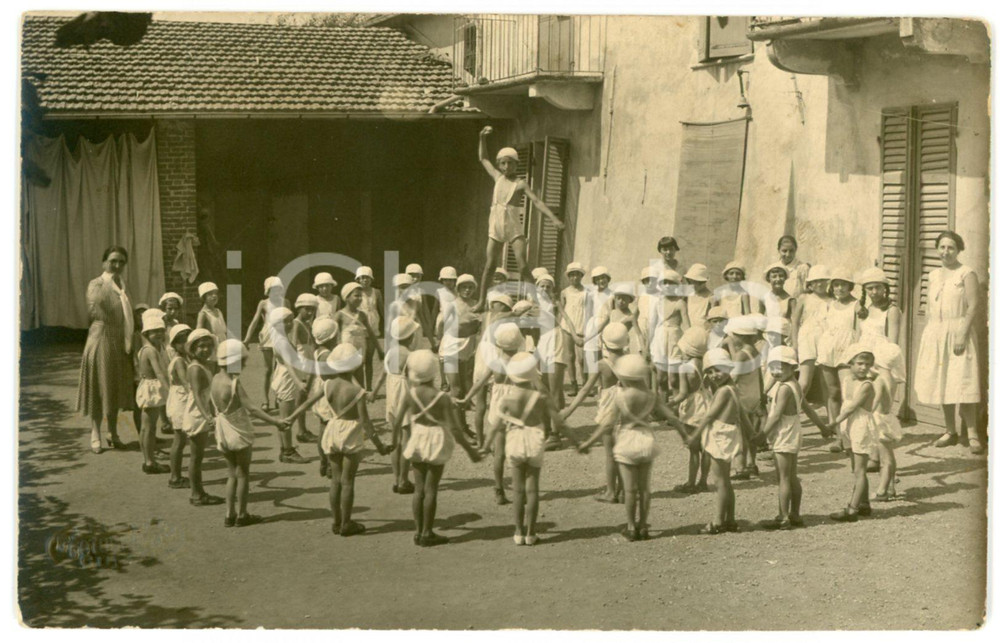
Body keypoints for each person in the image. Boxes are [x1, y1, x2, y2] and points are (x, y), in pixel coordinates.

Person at [577, 354, 686, 541]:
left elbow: (607, 424)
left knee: (629, 490)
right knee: (645, 489)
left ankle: (630, 526)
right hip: (646, 439)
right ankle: (643, 526)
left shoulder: (620, 396)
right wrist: (686, 435)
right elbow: (672, 417)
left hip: (627, 439)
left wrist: (587, 442)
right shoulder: (651, 396)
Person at [290, 343, 389, 536]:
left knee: (335, 480)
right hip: (350, 432)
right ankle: (346, 522)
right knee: (348, 481)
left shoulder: (328, 384)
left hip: (332, 429)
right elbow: (367, 424)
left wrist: (290, 418)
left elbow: (308, 402)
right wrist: (380, 446)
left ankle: (335, 521)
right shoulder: (357, 391)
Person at [390, 349, 480, 547]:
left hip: (417, 437)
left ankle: (417, 530)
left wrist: (392, 440)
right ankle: (427, 532)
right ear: (434, 372)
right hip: (435, 439)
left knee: (419, 489)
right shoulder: (441, 397)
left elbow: (397, 422)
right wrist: (470, 451)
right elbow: (455, 428)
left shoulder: (410, 394)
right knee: (431, 489)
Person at [485, 351, 573, 545]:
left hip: (515, 440)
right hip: (534, 439)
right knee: (532, 489)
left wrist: (484, 447)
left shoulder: (506, 400)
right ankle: (531, 533)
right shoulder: (540, 397)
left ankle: (518, 532)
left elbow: (495, 426)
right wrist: (576, 441)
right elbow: (559, 420)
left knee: (518, 490)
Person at [475, 126, 565, 309]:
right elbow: (483, 158)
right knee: (489, 266)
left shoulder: (520, 184)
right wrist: (481, 138)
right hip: (496, 226)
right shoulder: (497, 177)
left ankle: (537, 300)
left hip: (514, 228)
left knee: (523, 266)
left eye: (510, 163)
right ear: (499, 164)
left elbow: (537, 202)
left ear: (517, 164)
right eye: (503, 163)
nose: (507, 167)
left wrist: (554, 219)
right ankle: (480, 301)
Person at [915, 231, 982, 453]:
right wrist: (929, 333)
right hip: (936, 332)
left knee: (963, 381)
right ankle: (950, 430)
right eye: (942, 247)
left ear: (959, 249)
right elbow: (928, 307)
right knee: (942, 380)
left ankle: (972, 434)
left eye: (951, 247)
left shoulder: (966, 273)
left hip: (958, 330)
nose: (946, 252)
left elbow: (973, 306)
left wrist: (962, 334)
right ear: (937, 249)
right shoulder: (933, 275)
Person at [212, 340, 288, 527]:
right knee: (243, 473)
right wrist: (276, 422)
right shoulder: (233, 383)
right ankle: (243, 514)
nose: (245, 365)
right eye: (242, 361)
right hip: (238, 431)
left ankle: (229, 514)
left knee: (231, 473)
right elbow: (253, 409)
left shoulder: (214, 379)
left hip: (222, 429)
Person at [758, 346, 828, 530]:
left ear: (792, 368)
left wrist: (761, 435)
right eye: (773, 367)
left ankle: (783, 517)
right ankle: (795, 514)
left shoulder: (783, 389)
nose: (775, 372)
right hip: (794, 430)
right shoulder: (795, 385)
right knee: (792, 476)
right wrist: (822, 427)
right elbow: (807, 408)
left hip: (784, 432)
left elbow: (775, 416)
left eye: (781, 367)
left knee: (783, 478)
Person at [562, 323, 631, 503]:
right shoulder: (630, 361)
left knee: (610, 454)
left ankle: (610, 492)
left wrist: (569, 410)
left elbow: (585, 390)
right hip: (626, 408)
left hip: (609, 409)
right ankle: (624, 491)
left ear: (604, 343)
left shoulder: (602, 365)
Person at [458, 322, 525, 505]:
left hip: (498, 408)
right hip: (516, 408)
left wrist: (466, 398)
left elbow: (479, 383)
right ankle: (521, 488)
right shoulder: (522, 363)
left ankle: (499, 489)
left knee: (499, 452)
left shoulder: (496, 364)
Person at [78, 245, 135, 454]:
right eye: (113, 261)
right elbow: (94, 311)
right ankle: (95, 433)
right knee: (99, 387)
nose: (117, 265)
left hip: (119, 341)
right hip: (101, 339)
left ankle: (112, 432)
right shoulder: (97, 284)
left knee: (113, 388)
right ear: (104, 262)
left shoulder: (122, 284)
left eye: (121, 261)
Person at [685, 348, 745, 534]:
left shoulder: (723, 392)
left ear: (727, 367)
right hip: (728, 433)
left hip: (720, 435)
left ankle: (718, 521)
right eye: (709, 372)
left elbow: (710, 416)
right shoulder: (733, 388)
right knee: (726, 481)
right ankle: (731, 519)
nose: (714, 375)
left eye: (718, 370)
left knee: (720, 482)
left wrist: (695, 435)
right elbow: (742, 415)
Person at [369, 316, 421, 494]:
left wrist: (374, 392)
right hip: (404, 391)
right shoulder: (410, 355)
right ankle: (404, 480)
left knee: (395, 437)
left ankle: (396, 478)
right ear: (410, 336)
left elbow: (383, 374)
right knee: (406, 437)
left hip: (392, 391)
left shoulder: (391, 351)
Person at [827, 344, 878, 522]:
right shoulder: (848, 380)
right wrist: (841, 427)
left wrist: (834, 421)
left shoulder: (866, 385)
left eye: (868, 364)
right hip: (848, 425)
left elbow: (852, 407)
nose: (864, 367)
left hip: (860, 425)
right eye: (860, 363)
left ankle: (852, 509)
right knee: (854, 466)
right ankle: (864, 504)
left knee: (860, 470)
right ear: (850, 363)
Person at [816, 269, 859, 453]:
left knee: (847, 395)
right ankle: (838, 437)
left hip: (847, 351)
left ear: (850, 286)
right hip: (829, 350)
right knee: (832, 393)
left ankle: (850, 437)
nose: (839, 288)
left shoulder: (857, 305)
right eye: (836, 285)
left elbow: (859, 330)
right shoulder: (829, 305)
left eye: (843, 284)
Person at [182, 329, 224, 506]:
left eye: (208, 346)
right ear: (192, 348)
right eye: (201, 346)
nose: (206, 349)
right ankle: (197, 494)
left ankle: (198, 492)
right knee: (196, 457)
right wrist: (207, 416)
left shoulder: (205, 364)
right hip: (197, 415)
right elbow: (198, 395)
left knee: (198, 456)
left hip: (203, 413)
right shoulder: (194, 368)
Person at [669, 327, 711, 494]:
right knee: (706, 447)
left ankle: (691, 483)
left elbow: (683, 394)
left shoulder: (685, 368)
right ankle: (703, 481)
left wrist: (668, 404)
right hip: (706, 403)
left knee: (693, 449)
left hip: (693, 407)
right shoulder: (705, 363)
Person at [789, 265, 831, 424]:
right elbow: (795, 321)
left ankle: (832, 420)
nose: (819, 284)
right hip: (807, 338)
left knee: (826, 382)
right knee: (804, 381)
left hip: (826, 340)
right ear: (810, 284)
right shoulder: (804, 298)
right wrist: (794, 343)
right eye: (815, 281)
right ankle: (790, 413)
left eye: (822, 280)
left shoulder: (832, 300)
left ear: (827, 282)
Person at [267, 307, 309, 464]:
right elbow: (289, 365)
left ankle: (285, 449)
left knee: (284, 417)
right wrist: (299, 382)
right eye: (286, 321)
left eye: (291, 320)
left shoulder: (279, 337)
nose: (291, 323)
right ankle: (288, 451)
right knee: (286, 419)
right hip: (286, 379)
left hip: (282, 377)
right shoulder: (282, 341)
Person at [243, 276, 290, 411]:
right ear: (268, 290)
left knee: (280, 369)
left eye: (278, 289)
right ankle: (265, 400)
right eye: (273, 290)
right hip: (267, 337)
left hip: (281, 336)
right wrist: (247, 339)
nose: (276, 292)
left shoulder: (285, 302)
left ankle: (279, 397)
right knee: (268, 370)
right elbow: (255, 321)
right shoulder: (263, 303)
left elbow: (290, 321)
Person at [727, 315, 765, 481]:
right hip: (754, 395)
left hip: (741, 398)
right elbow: (759, 377)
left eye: (733, 336)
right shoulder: (755, 352)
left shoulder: (741, 355)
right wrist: (762, 395)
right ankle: (752, 463)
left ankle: (740, 467)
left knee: (740, 434)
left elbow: (733, 378)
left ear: (740, 336)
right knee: (752, 431)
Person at [135, 310, 171, 474]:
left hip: (152, 387)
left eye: (161, 331)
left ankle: (148, 459)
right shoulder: (149, 350)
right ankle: (149, 461)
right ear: (146, 333)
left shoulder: (158, 346)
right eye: (154, 332)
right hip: (152, 388)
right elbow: (158, 372)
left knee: (147, 427)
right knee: (148, 428)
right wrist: (170, 391)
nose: (158, 334)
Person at [333, 282, 385, 389]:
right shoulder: (340, 315)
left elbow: (371, 334)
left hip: (360, 351)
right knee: (346, 378)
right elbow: (332, 333)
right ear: (346, 298)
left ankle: (361, 396)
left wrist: (380, 350)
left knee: (359, 375)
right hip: (346, 352)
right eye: (356, 295)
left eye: (361, 296)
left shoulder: (362, 315)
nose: (360, 298)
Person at [872, 342, 906, 500]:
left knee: (885, 459)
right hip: (887, 417)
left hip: (879, 419)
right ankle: (891, 487)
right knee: (889, 455)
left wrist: (866, 411)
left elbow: (875, 400)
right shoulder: (892, 378)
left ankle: (881, 490)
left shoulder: (879, 379)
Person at [165, 324, 193, 489]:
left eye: (187, 341)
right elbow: (186, 383)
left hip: (180, 398)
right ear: (174, 344)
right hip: (180, 401)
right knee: (179, 440)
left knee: (181, 440)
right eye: (180, 341)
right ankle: (175, 477)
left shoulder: (185, 358)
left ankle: (176, 475)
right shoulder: (179, 361)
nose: (185, 344)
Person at [290, 293, 319, 444]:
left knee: (304, 399)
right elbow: (294, 346)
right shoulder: (296, 323)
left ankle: (302, 429)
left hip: (309, 363)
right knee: (301, 399)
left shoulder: (307, 323)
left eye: (312, 310)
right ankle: (300, 430)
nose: (309, 313)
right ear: (299, 308)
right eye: (306, 309)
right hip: (302, 365)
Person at [560, 262, 588, 397]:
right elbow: (563, 311)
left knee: (582, 358)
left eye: (577, 275)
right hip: (567, 326)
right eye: (572, 275)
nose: (575, 278)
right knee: (570, 357)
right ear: (568, 277)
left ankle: (586, 384)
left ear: (581, 276)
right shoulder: (564, 292)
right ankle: (573, 384)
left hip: (582, 325)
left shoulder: (587, 292)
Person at [356, 266, 384, 387]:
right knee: (358, 360)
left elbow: (382, 309)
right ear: (358, 279)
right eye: (362, 278)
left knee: (369, 359)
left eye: (367, 278)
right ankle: (359, 387)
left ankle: (369, 387)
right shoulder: (355, 292)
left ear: (371, 279)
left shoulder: (376, 292)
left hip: (372, 327)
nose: (365, 280)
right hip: (359, 327)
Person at [684, 264, 713, 331]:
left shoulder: (710, 298)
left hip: (702, 332)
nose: (693, 286)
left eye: (697, 283)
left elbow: (712, 320)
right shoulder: (688, 296)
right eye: (690, 282)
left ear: (704, 282)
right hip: (688, 331)